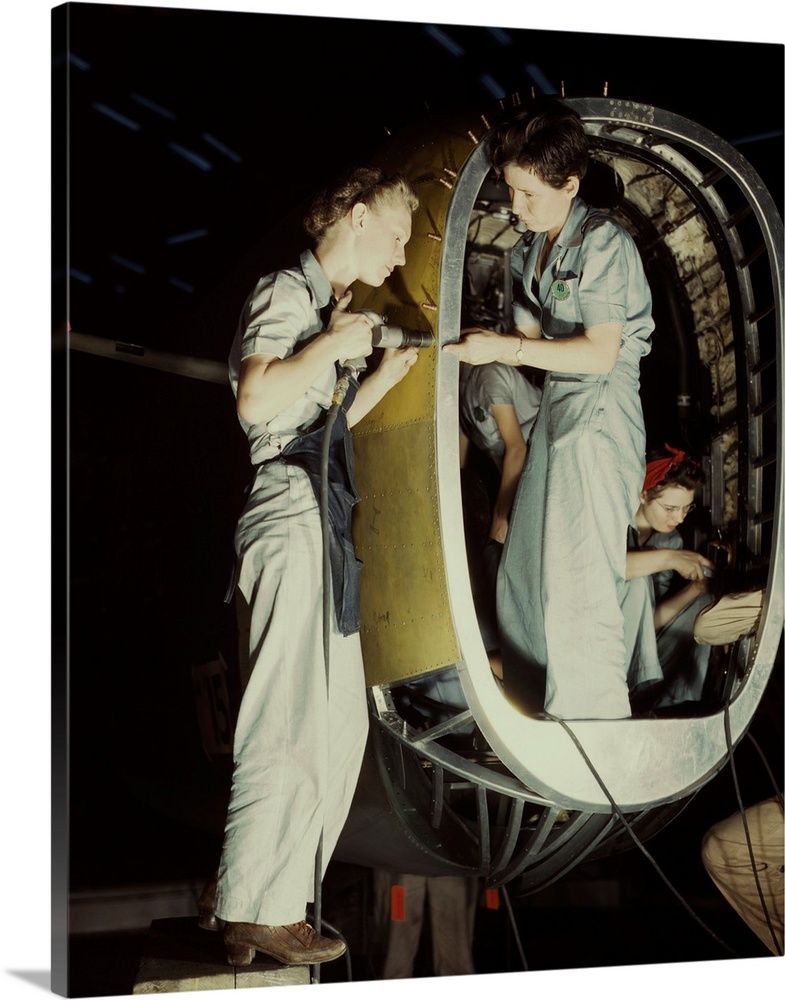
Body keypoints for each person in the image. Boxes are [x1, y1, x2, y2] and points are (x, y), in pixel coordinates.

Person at [209, 167, 420, 968]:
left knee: (338, 724)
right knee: (286, 716)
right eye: (396, 235)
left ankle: (276, 899)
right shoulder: (284, 292)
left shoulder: (324, 308)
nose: (400, 257)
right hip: (289, 512)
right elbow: (258, 405)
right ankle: (250, 905)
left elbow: (323, 426)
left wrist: (374, 380)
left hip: (319, 520)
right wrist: (333, 344)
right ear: (358, 216)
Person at [443, 100, 654, 720]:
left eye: (530, 194)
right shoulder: (530, 253)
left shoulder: (604, 244)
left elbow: (597, 354)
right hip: (559, 421)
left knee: (579, 584)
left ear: (570, 184)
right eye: (511, 190)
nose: (516, 207)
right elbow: (539, 345)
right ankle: (536, 705)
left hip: (597, 421)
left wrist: (505, 346)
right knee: (522, 580)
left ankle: (592, 726)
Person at [458, 362, 542, 667]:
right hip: (515, 480)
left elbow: (516, 449)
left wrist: (501, 515)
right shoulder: (456, 389)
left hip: (537, 468)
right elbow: (460, 464)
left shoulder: (488, 376)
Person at [622, 446, 716, 711]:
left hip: (639, 648)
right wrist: (669, 559)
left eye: (687, 508)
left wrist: (696, 589)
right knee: (638, 582)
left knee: (704, 597)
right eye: (670, 508)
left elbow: (647, 621)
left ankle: (670, 706)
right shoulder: (616, 522)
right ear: (643, 495)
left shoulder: (670, 538)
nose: (679, 518)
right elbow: (600, 570)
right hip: (598, 640)